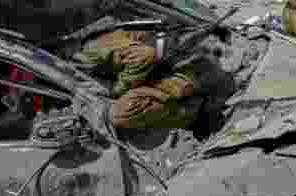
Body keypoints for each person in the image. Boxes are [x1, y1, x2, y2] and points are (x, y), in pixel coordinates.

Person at [73, 29, 205, 130]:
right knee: (119, 113)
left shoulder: (89, 50)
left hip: (174, 70)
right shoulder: (81, 56)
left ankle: (188, 111)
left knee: (120, 115)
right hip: (152, 76)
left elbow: (145, 55)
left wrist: (116, 89)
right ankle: (184, 111)